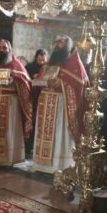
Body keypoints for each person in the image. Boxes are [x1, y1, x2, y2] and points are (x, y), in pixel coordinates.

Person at [32, 35, 89, 173]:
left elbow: (80, 86)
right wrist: (38, 80)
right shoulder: (51, 63)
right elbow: (41, 79)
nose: (58, 46)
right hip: (46, 103)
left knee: (59, 133)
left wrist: (61, 83)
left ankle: (60, 164)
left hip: (62, 105)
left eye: (61, 43)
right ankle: (42, 165)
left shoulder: (75, 64)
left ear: (68, 45)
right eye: (56, 43)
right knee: (45, 133)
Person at [0, 39, 33, 166]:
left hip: (11, 102)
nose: (2, 50)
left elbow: (26, 84)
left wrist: (14, 80)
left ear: (10, 49)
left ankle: (11, 158)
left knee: (10, 130)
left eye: (4, 48)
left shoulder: (17, 65)